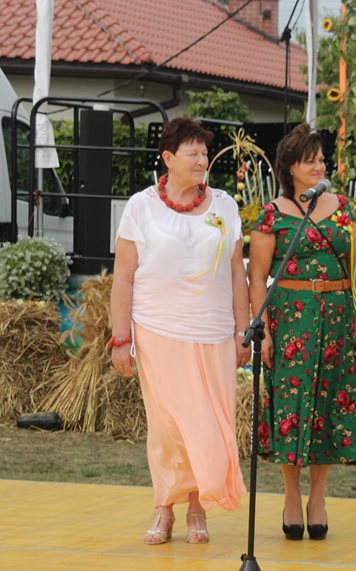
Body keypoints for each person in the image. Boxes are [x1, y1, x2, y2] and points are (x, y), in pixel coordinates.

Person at [110, 116, 250, 545]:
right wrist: (121, 339)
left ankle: (197, 507)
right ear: (168, 159)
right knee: (168, 425)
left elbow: (236, 273)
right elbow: (123, 277)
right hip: (158, 331)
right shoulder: (140, 206)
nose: (202, 160)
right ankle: (163, 506)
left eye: (205, 153)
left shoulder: (225, 205)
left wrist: (243, 331)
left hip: (213, 333)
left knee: (208, 424)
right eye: (192, 153)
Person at [249, 123, 356, 542]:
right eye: (311, 160)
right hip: (291, 320)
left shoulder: (343, 207)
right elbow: (257, 278)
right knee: (291, 405)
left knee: (330, 405)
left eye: (322, 158)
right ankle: (289, 495)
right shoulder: (273, 213)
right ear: (290, 167)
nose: (320, 165)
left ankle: (318, 498)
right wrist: (263, 331)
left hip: (337, 316)